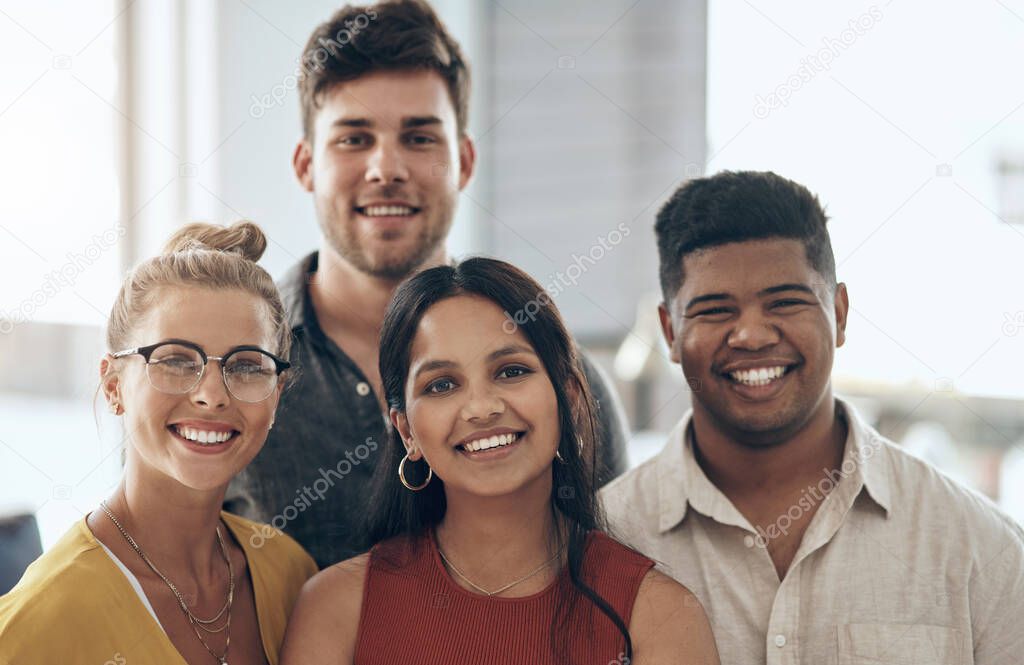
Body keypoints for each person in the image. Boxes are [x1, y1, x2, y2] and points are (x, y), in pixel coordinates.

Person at [225, 0, 631, 569]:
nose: (386, 168)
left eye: (419, 138)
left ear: (464, 161)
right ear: (306, 165)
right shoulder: (229, 371)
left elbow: (607, 588)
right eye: (353, 138)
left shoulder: (565, 383)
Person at [600, 170, 1024, 664]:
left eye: (785, 302)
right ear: (670, 332)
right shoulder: (602, 542)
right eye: (715, 310)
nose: (752, 336)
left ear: (840, 313)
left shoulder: (979, 548)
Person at [278, 257, 718, 664]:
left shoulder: (658, 615)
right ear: (406, 430)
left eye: (511, 372)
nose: (481, 408)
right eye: (442, 385)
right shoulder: (335, 611)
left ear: (567, 398)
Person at [0, 222, 317, 664]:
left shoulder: (292, 574)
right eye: (175, 360)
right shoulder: (34, 624)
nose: (211, 394)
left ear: (276, 393)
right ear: (113, 385)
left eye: (246, 366)